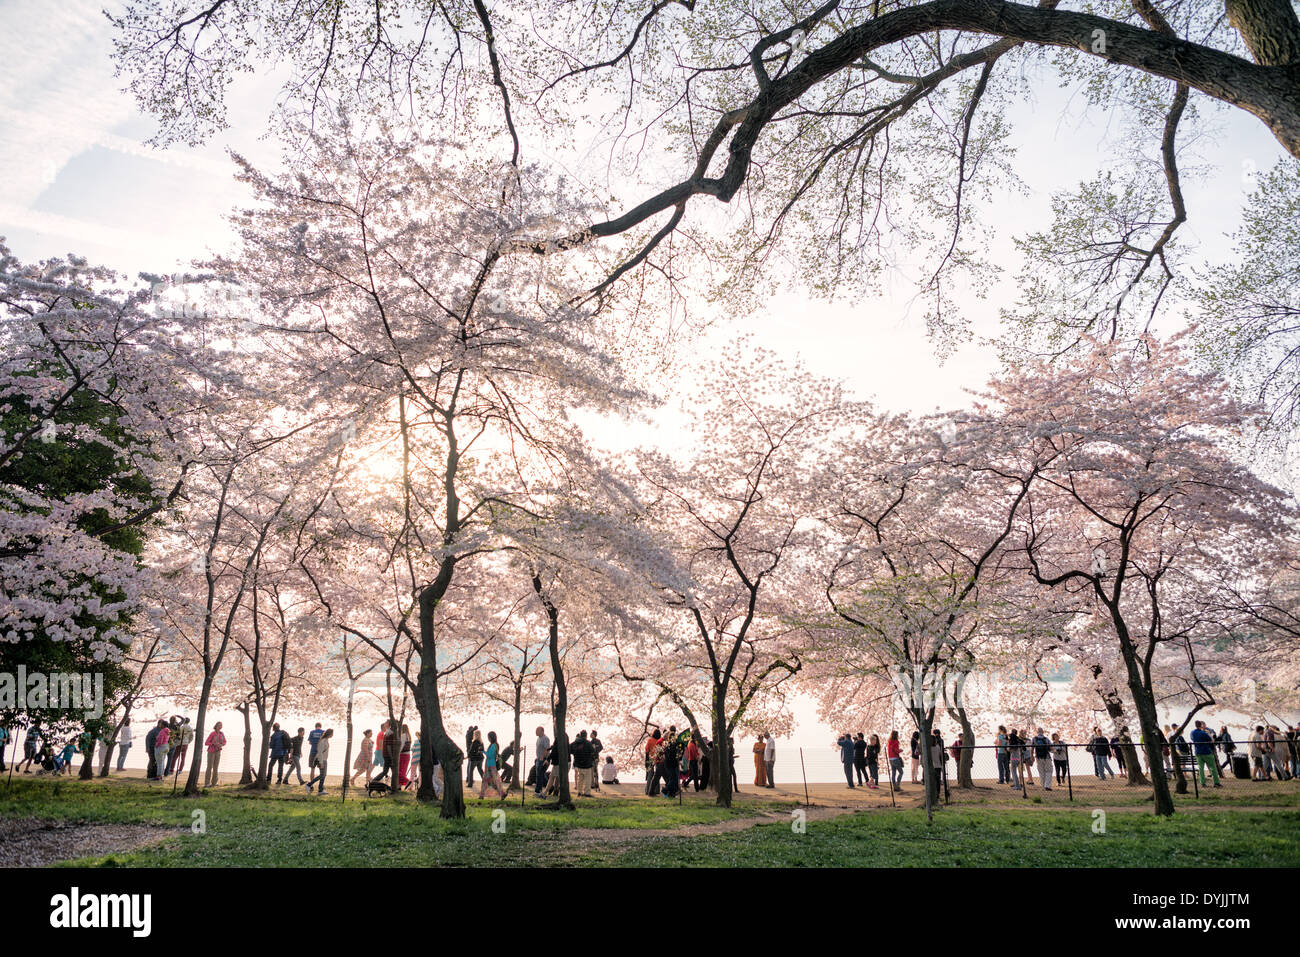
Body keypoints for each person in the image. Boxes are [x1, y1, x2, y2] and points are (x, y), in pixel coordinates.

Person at [1190, 720, 1221, 788]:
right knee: (1213, 767)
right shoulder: (1203, 733)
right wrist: (1209, 733)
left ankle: (1203, 783)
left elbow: (1192, 739)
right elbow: (1212, 741)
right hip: (1206, 752)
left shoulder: (1192, 733)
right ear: (1201, 725)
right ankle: (1216, 782)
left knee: (1201, 768)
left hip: (1198, 752)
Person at [478, 730, 507, 799]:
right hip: (491, 765)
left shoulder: (493, 746)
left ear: (491, 737)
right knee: (494, 781)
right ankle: (502, 794)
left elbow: (490, 755)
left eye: (489, 737)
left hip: (491, 766)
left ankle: (482, 795)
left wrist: (483, 751)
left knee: (489, 781)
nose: (488, 739)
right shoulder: (494, 745)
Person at [305, 728, 332, 794]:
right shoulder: (322, 741)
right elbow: (319, 752)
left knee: (323, 775)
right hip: (321, 759)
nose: (332, 735)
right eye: (332, 734)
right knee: (322, 775)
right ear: (330, 734)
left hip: (324, 759)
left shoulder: (326, 740)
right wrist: (321, 762)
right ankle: (309, 784)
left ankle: (320, 790)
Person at [570, 730, 594, 798]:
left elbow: (570, 749)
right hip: (587, 764)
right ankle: (587, 793)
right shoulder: (588, 743)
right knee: (587, 779)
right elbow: (593, 751)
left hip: (578, 764)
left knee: (580, 778)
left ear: (580, 735)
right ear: (586, 735)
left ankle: (579, 792)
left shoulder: (575, 742)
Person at [204, 722, 226, 787]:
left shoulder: (222, 734)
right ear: (216, 726)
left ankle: (214, 783)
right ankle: (207, 783)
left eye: (221, 725)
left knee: (216, 768)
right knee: (209, 767)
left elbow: (225, 741)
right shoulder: (212, 734)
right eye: (219, 725)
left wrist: (221, 745)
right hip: (211, 752)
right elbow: (206, 743)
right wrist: (213, 743)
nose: (220, 726)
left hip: (218, 752)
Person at [534, 726, 550, 796]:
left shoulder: (545, 738)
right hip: (538, 759)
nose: (536, 732)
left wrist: (543, 758)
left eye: (537, 730)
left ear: (542, 731)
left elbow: (547, 749)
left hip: (543, 760)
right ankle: (550, 787)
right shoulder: (538, 739)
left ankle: (538, 791)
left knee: (540, 775)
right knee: (540, 775)